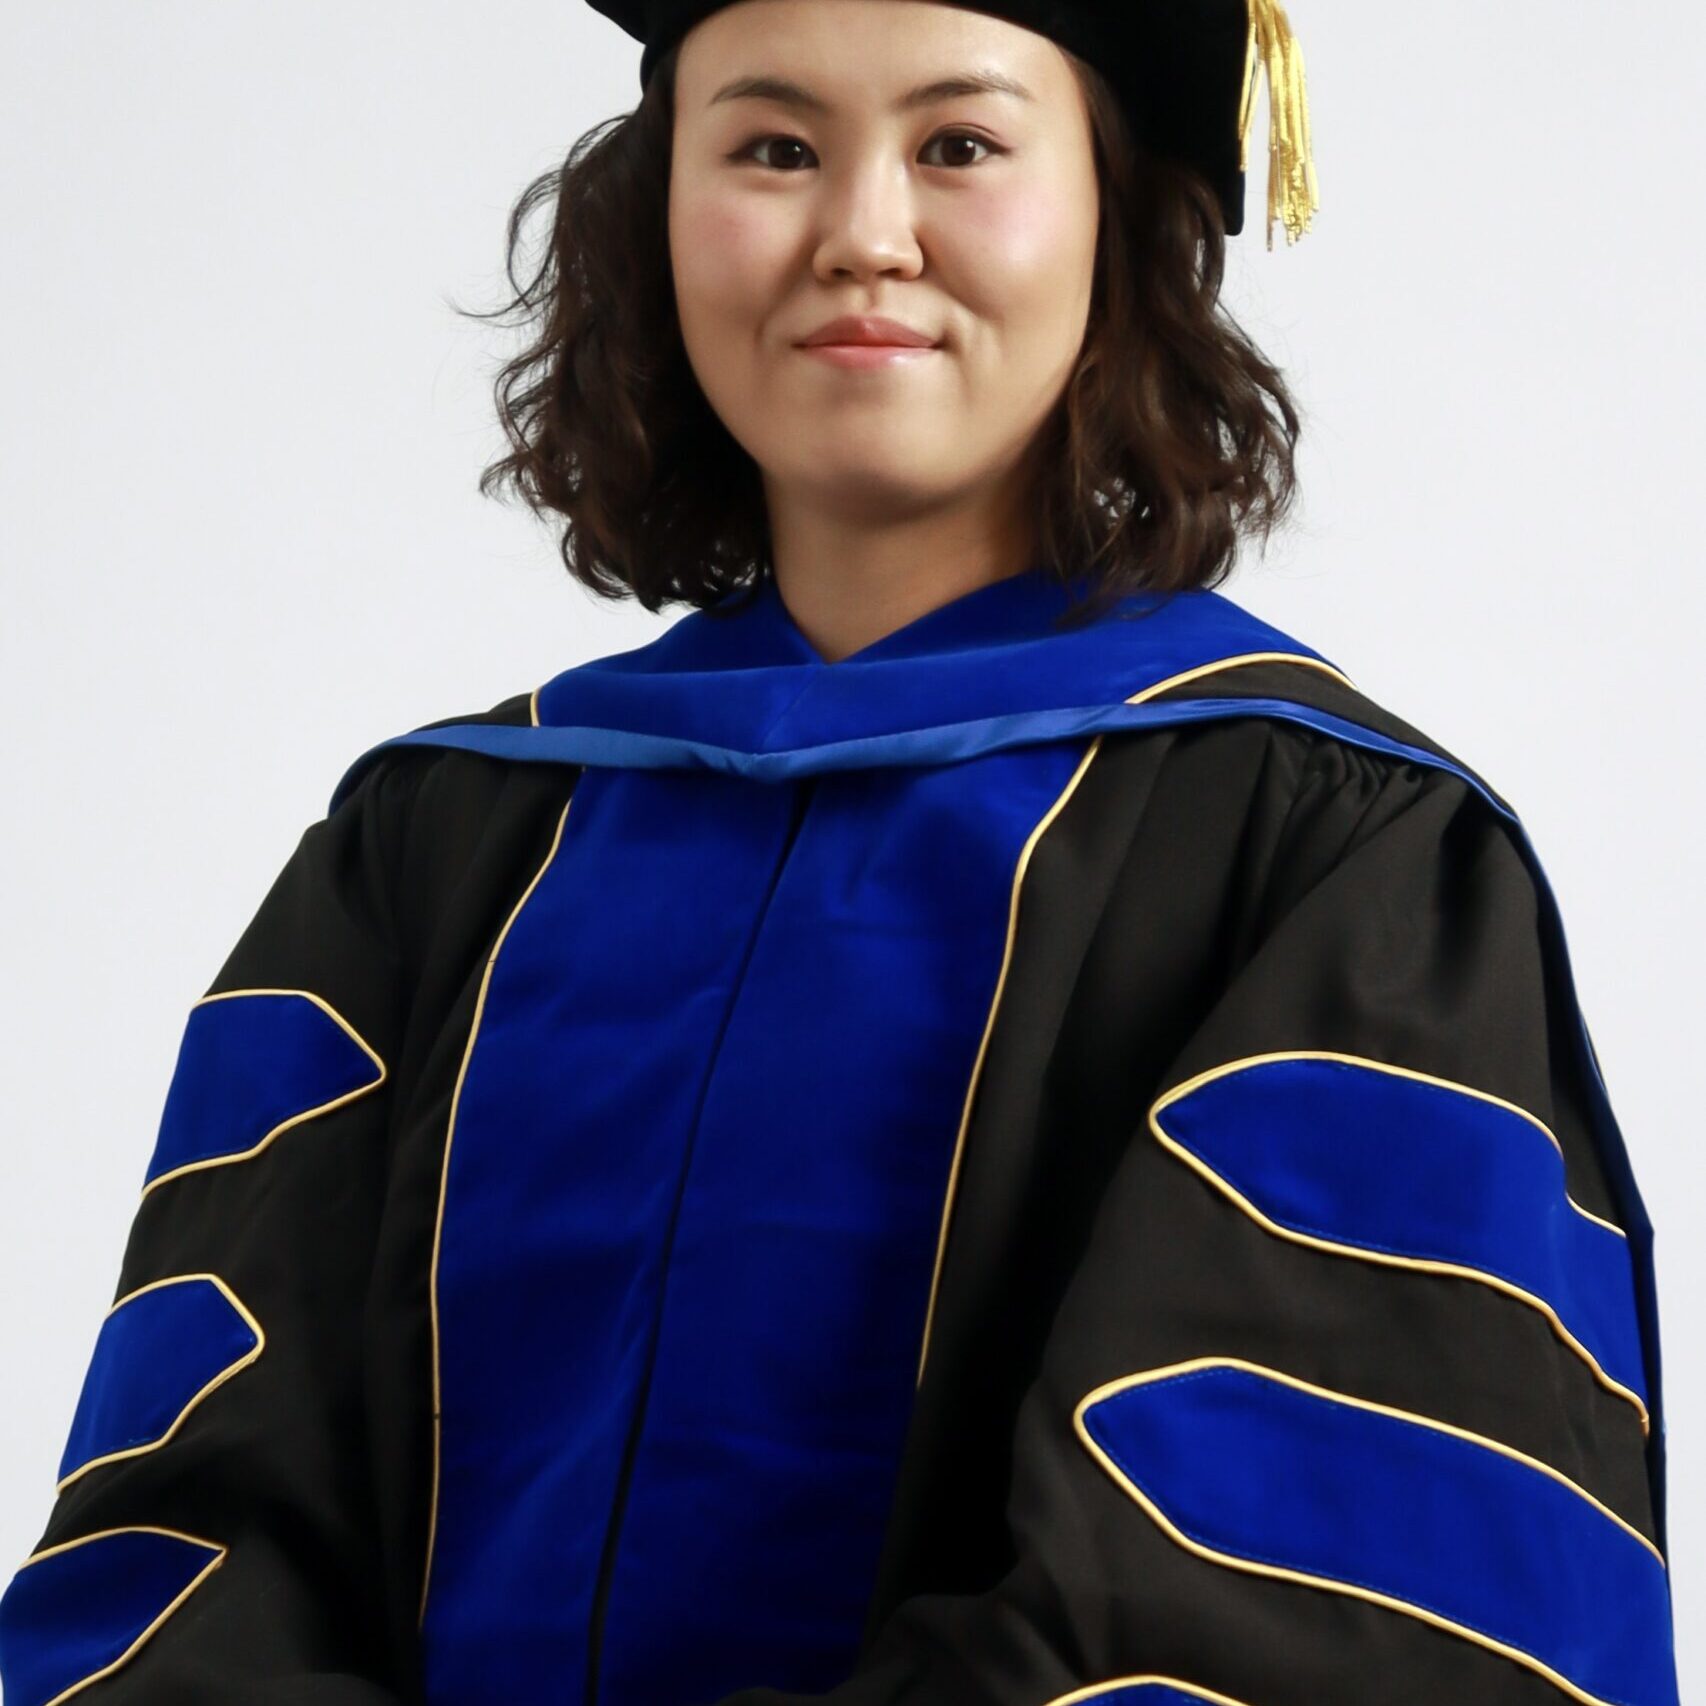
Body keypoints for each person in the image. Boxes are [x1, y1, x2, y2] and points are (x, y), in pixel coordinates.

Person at [0, 1, 1680, 1703]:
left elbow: (1289, 1608)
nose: (862, 235)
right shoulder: (436, 845)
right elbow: (185, 1541)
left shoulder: (1329, 859)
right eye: (772, 148)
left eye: (959, 145)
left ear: (1116, 219)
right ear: (654, 213)